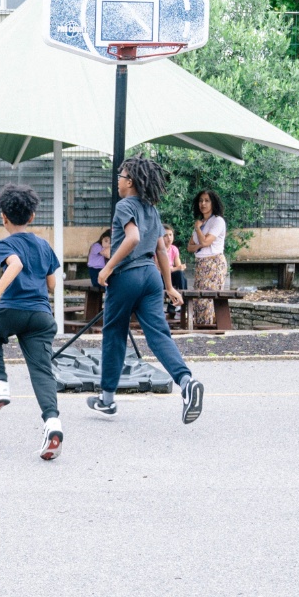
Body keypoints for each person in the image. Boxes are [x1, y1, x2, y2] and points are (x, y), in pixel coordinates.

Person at [88, 156, 204, 425]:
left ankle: (106, 400)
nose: (117, 180)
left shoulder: (124, 205)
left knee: (114, 334)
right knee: (158, 334)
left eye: (120, 175)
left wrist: (107, 269)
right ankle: (186, 381)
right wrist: (169, 286)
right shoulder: (151, 210)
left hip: (127, 276)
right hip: (151, 278)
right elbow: (161, 249)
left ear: (129, 181)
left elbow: (134, 238)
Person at [0, 184, 65, 460]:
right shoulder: (44, 245)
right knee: (42, 371)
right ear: (33, 216)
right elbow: (51, 285)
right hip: (40, 315)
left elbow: (15, 265)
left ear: (3, 217)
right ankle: (53, 423)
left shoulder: (5, 243)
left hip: (12, 310)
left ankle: (0, 385)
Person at [189, 188, 229, 328]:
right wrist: (200, 240)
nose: (203, 204)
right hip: (200, 264)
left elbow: (205, 242)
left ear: (213, 203)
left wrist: (199, 231)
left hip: (213, 263)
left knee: (208, 299)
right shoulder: (201, 222)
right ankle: (200, 327)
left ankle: (209, 328)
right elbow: (190, 247)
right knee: (198, 299)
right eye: (200, 201)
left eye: (207, 201)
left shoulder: (217, 221)